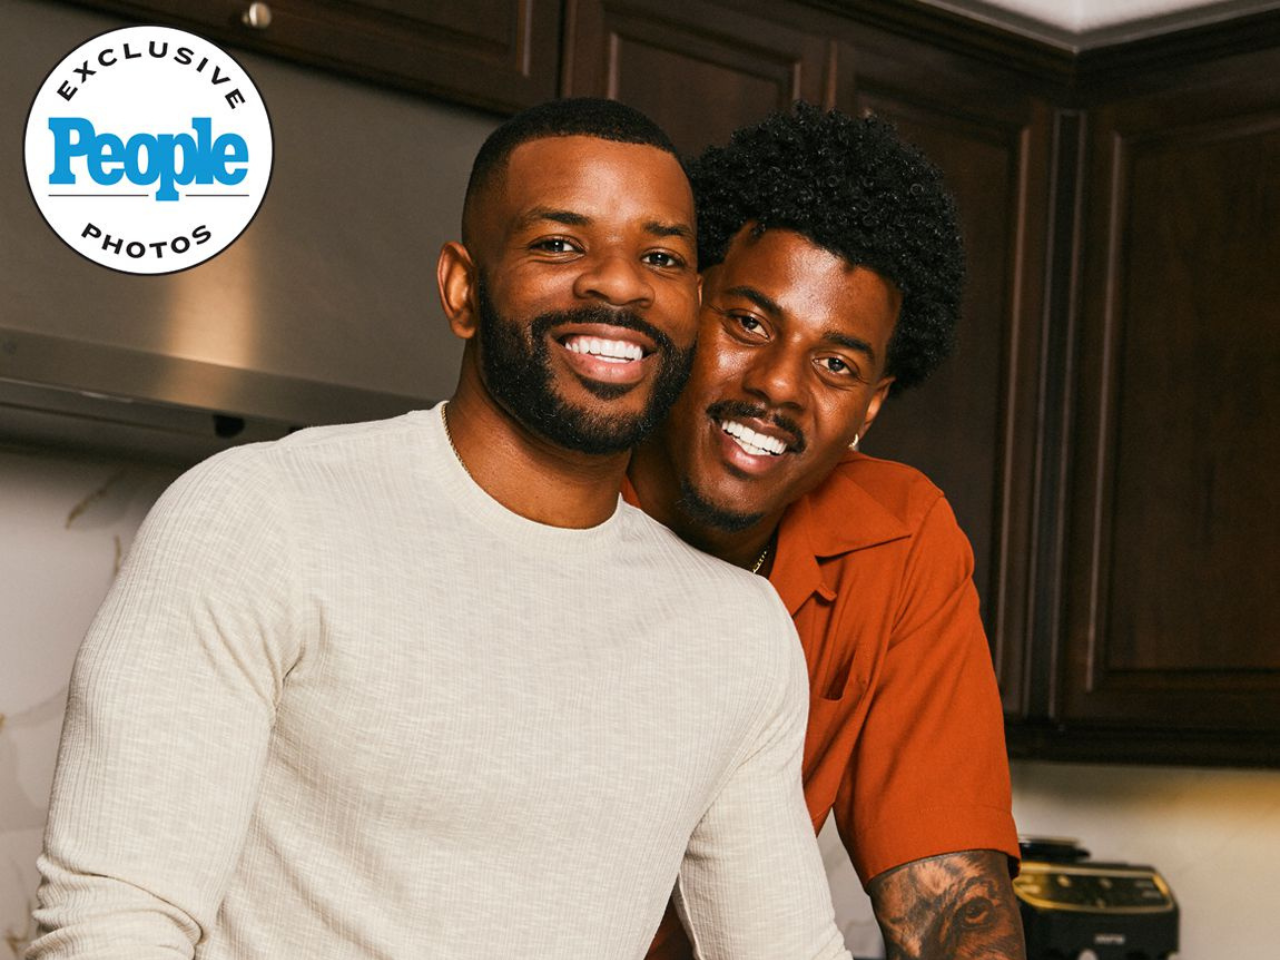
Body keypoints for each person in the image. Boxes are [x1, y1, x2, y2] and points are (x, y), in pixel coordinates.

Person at [28, 99, 854, 960]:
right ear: (463, 289)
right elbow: (111, 928)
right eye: (560, 244)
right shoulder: (260, 518)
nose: (620, 283)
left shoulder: (736, 634)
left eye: (661, 257)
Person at [628, 103, 1026, 960]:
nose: (777, 383)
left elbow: (949, 904)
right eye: (749, 323)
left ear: (869, 408)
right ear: (684, 307)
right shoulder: (560, 492)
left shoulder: (900, 538)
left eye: (836, 363)